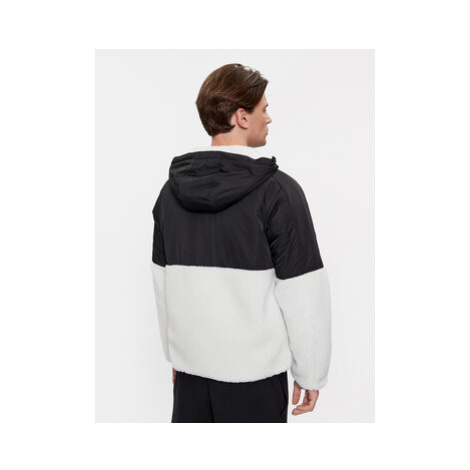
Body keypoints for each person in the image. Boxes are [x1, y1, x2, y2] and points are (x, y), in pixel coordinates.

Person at [151, 63, 332, 423]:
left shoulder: (170, 194)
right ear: (242, 117)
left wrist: (177, 355)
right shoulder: (278, 192)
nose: (269, 117)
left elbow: (163, 285)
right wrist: (311, 373)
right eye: (264, 108)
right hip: (254, 382)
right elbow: (303, 291)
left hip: (191, 376)